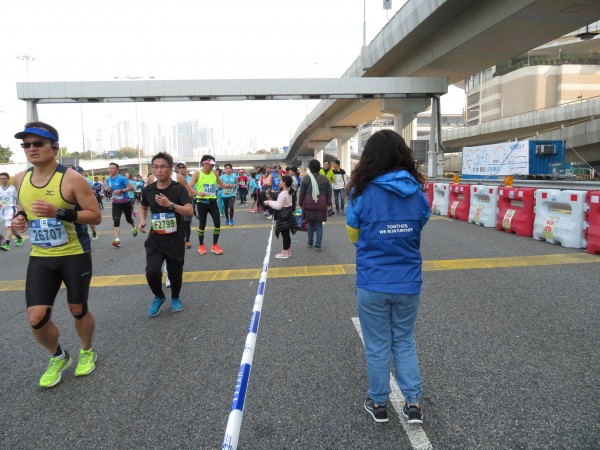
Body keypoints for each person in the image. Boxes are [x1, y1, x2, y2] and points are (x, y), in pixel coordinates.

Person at [345, 129, 429, 424]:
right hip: (408, 280)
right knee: (404, 341)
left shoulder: (362, 191)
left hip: (373, 280)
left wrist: (374, 241)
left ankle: (379, 402)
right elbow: (419, 225)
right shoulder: (417, 192)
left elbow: (353, 234)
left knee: (378, 344)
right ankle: (413, 403)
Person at [11, 121, 102, 388]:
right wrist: (20, 218)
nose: (31, 148)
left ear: (54, 147)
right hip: (41, 255)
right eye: (26, 145)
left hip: (74, 253)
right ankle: (58, 356)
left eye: (38, 143)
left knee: (78, 308)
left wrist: (59, 212)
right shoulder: (20, 178)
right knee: (36, 317)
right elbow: (23, 205)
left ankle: (87, 350)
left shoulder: (72, 179)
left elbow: (95, 215)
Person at [139, 153, 193, 316]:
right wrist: (142, 220)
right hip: (155, 238)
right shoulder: (149, 190)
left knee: (175, 273)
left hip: (175, 238)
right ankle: (159, 296)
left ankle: (175, 297)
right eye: (155, 167)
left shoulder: (179, 188)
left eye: (163, 167)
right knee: (152, 271)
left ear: (170, 168)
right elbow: (143, 207)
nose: (159, 170)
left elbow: (189, 211)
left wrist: (170, 205)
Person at [188, 155, 233, 255]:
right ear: (203, 163)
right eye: (210, 164)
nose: (212, 166)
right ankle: (201, 245)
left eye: (213, 165)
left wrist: (229, 186)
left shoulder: (214, 172)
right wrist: (197, 192)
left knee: (217, 223)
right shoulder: (197, 173)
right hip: (201, 202)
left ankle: (214, 245)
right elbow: (189, 187)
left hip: (212, 201)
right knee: (202, 224)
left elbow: (221, 184)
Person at [298, 159, 332, 252]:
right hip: (321, 205)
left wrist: (300, 203)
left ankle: (310, 242)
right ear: (319, 168)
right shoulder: (324, 179)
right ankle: (318, 244)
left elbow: (302, 193)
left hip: (308, 205)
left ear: (310, 168)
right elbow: (329, 193)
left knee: (310, 224)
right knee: (319, 224)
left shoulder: (305, 178)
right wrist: (329, 203)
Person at [104, 162, 137, 248]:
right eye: (109, 168)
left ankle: (134, 226)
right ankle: (117, 240)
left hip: (126, 202)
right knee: (116, 220)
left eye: (113, 168)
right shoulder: (108, 180)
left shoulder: (122, 178)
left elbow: (131, 188)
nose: (111, 170)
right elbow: (107, 188)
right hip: (116, 203)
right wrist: (108, 189)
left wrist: (121, 190)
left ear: (117, 170)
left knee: (129, 219)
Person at [264, 175, 297, 259]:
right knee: (287, 235)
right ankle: (288, 251)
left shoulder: (283, 194)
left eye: (281, 181)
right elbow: (280, 203)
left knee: (285, 235)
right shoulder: (289, 191)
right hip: (288, 214)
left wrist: (269, 202)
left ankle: (284, 253)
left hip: (283, 216)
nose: (279, 182)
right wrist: (271, 202)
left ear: (284, 183)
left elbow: (278, 206)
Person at [0, 172, 25, 251]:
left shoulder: (13, 189)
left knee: (8, 227)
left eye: (4, 178)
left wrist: (20, 210)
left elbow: (20, 199)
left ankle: (6, 245)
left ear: (8, 179)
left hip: (11, 210)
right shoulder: (0, 189)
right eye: (1, 179)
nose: (2, 180)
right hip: (2, 210)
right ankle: (19, 238)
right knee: (11, 228)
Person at [176, 161, 194, 249]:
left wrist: (185, 197)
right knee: (178, 224)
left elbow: (193, 193)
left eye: (183, 167)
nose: (181, 169)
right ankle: (179, 241)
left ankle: (187, 241)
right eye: (179, 167)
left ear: (186, 168)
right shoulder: (174, 179)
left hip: (187, 204)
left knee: (186, 224)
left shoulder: (191, 179)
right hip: (176, 205)